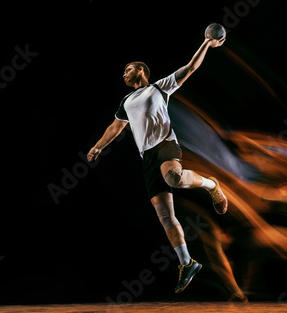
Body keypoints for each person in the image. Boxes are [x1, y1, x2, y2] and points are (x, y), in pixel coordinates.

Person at [87, 34, 227, 293]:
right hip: (147, 156)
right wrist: (97, 146)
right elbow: (116, 127)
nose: (123, 75)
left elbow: (191, 67)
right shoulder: (126, 102)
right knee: (165, 217)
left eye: (127, 69)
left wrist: (207, 42)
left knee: (173, 177)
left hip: (165, 144)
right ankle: (188, 263)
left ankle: (211, 185)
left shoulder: (159, 87)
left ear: (141, 70)